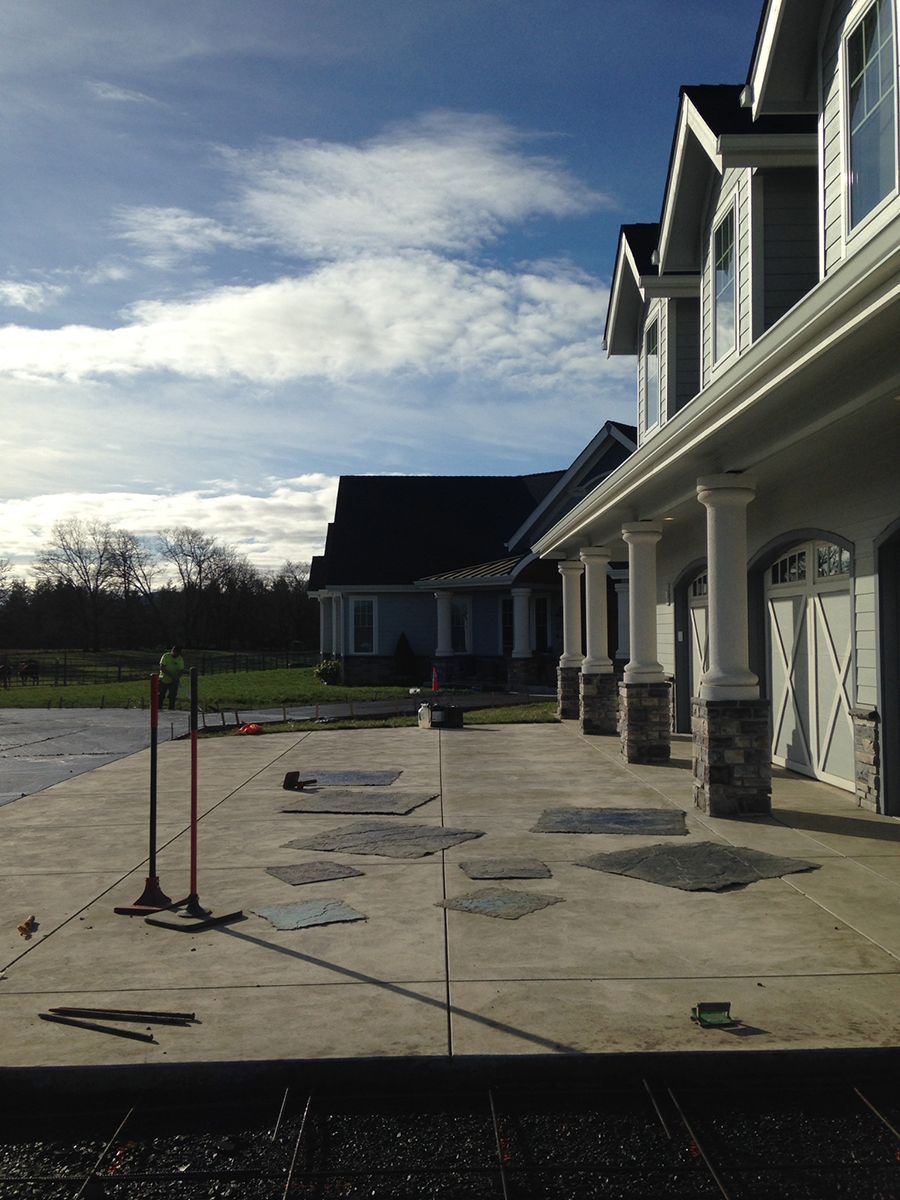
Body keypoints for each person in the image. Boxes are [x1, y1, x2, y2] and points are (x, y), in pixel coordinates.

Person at [158, 645, 186, 710]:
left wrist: (177, 677)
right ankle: (158, 709)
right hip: (163, 680)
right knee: (160, 695)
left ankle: (171, 710)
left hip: (173, 682)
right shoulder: (166, 656)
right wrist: (171, 675)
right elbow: (162, 667)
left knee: (172, 697)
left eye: (176, 652)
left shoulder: (180, 659)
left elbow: (181, 670)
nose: (174, 653)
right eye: (173, 651)